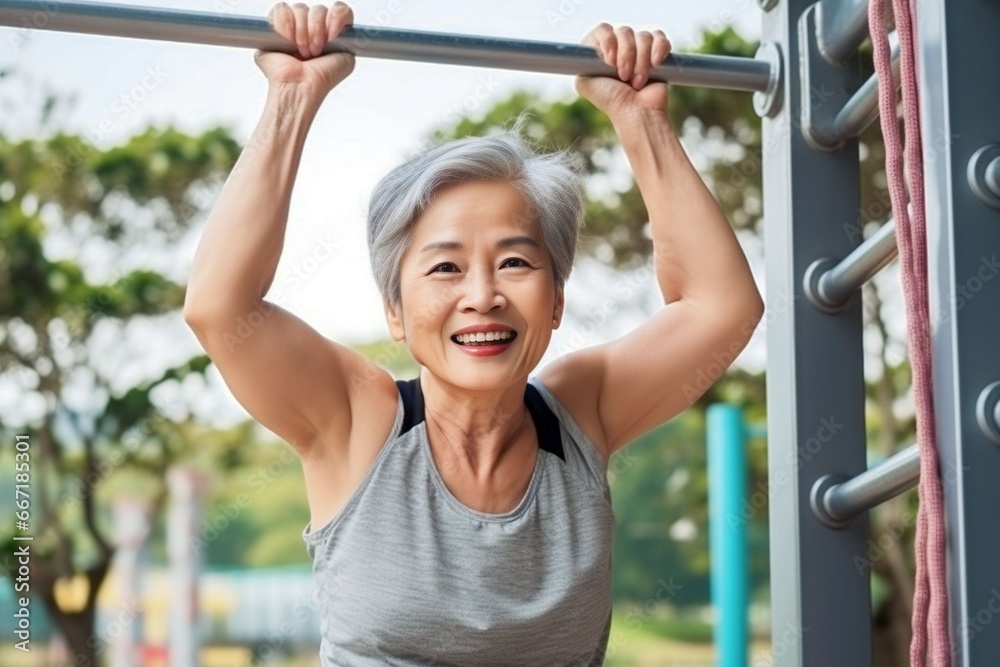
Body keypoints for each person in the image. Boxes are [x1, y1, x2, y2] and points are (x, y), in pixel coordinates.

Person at [182, 2, 764, 664]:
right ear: (395, 311)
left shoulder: (583, 409)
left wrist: (642, 119)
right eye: (446, 268)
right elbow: (220, 307)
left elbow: (721, 306)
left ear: (555, 300)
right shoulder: (357, 419)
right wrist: (291, 99)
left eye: (515, 261)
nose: (482, 296)